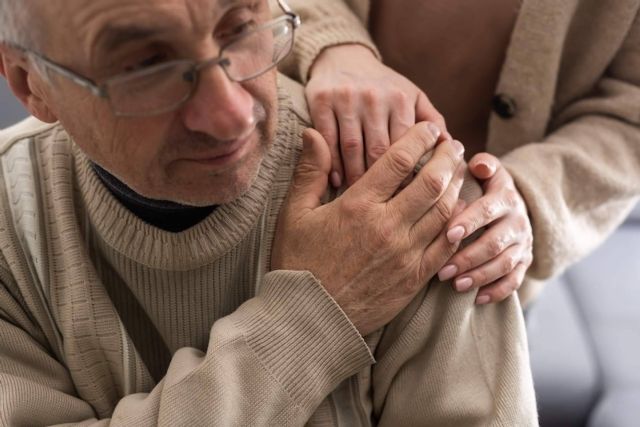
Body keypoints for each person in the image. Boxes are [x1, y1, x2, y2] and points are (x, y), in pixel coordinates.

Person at [0, 0, 537, 425]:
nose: (232, 116)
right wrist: (311, 319)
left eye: (238, 28)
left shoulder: (407, 194)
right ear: (31, 85)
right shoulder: (9, 226)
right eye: (147, 68)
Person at [280, 0, 640, 306]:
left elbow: (632, 112)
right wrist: (332, 42)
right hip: (286, 197)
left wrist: (533, 195)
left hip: (481, 269)